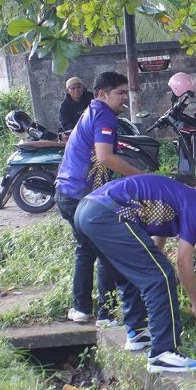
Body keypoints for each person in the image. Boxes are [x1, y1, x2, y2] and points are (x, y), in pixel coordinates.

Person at [74, 174, 196, 373]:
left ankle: (137, 332)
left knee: (137, 272)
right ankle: (162, 353)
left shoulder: (177, 195)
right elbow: (183, 262)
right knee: (161, 276)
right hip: (107, 214)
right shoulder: (195, 206)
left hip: (87, 210)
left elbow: (154, 245)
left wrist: (158, 263)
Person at [55, 72, 144, 326]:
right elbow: (105, 157)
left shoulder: (92, 111)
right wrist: (140, 177)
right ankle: (106, 315)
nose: (125, 98)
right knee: (105, 250)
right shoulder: (103, 114)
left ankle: (82, 308)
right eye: (120, 93)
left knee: (86, 250)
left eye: (126, 92)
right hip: (79, 195)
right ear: (102, 94)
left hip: (68, 194)